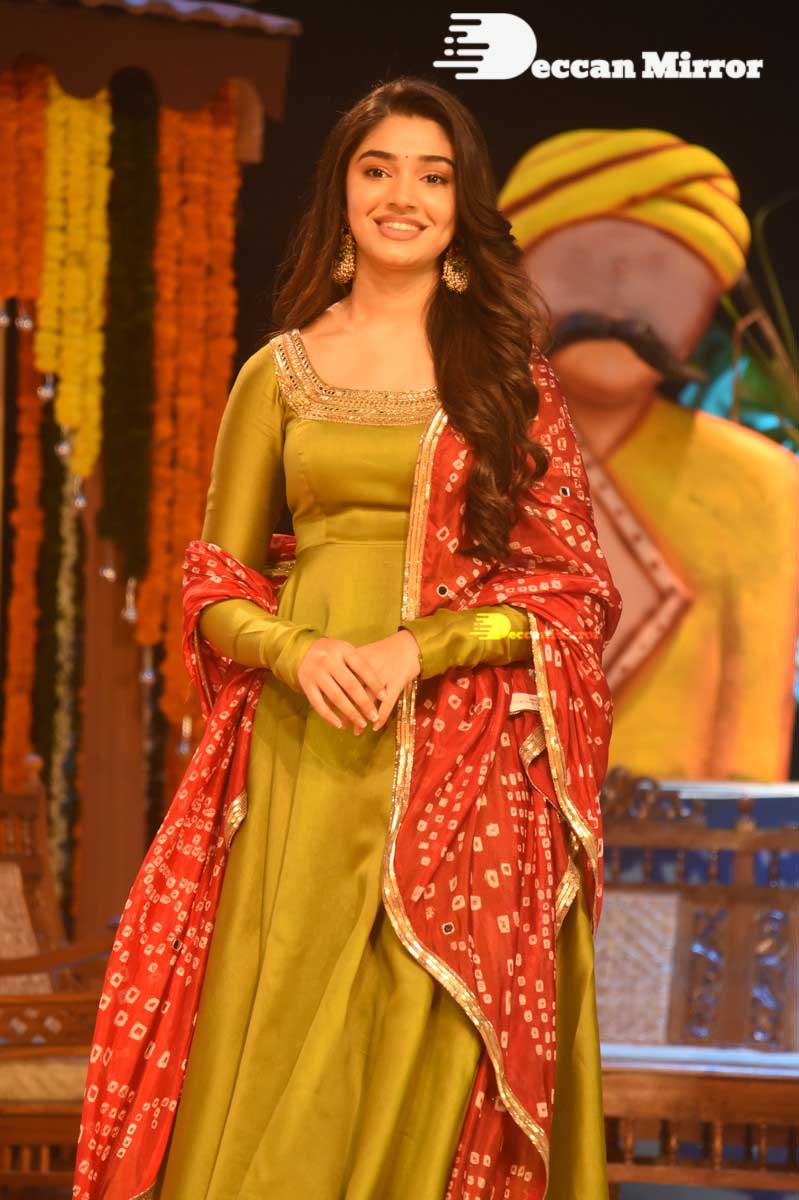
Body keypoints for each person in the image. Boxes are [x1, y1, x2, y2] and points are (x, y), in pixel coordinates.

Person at [73, 77, 621, 1200]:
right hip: (302, 756)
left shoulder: (508, 382)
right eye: (378, 170)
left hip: (464, 767)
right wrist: (299, 652)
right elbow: (216, 586)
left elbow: (570, 591)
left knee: (421, 1032)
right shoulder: (277, 373)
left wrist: (423, 647)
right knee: (283, 1029)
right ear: (342, 192)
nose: (402, 195)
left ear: (461, 206)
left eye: (433, 175)